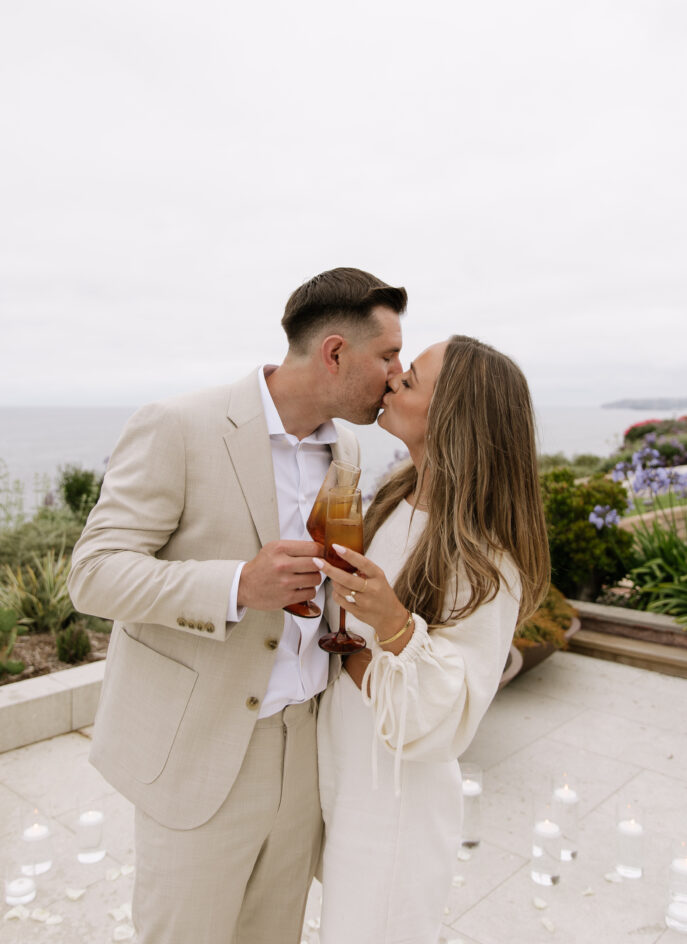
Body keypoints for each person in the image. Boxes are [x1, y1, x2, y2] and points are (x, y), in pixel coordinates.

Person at [67, 267, 407, 944]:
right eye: (389, 356)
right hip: (203, 751)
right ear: (335, 352)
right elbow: (94, 574)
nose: (396, 376)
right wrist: (234, 587)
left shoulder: (345, 447)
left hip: (306, 750)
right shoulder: (178, 426)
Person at [314, 334, 550, 944]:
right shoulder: (395, 495)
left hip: (396, 810)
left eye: (410, 378)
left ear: (453, 415)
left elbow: (448, 718)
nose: (391, 379)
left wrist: (385, 630)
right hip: (346, 773)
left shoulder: (485, 560)